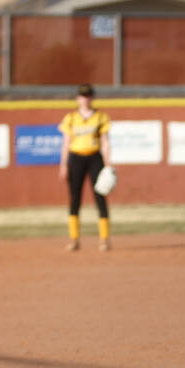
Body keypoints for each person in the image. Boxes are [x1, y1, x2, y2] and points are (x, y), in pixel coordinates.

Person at [58, 83, 113, 252]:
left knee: (100, 196)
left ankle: (104, 240)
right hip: (76, 158)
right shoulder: (71, 118)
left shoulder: (100, 117)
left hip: (95, 158)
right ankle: (74, 239)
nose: (85, 99)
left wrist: (108, 164)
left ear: (92, 98)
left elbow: (105, 142)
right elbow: (66, 143)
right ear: (78, 98)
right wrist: (63, 165)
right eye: (82, 96)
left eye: (88, 96)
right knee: (75, 198)